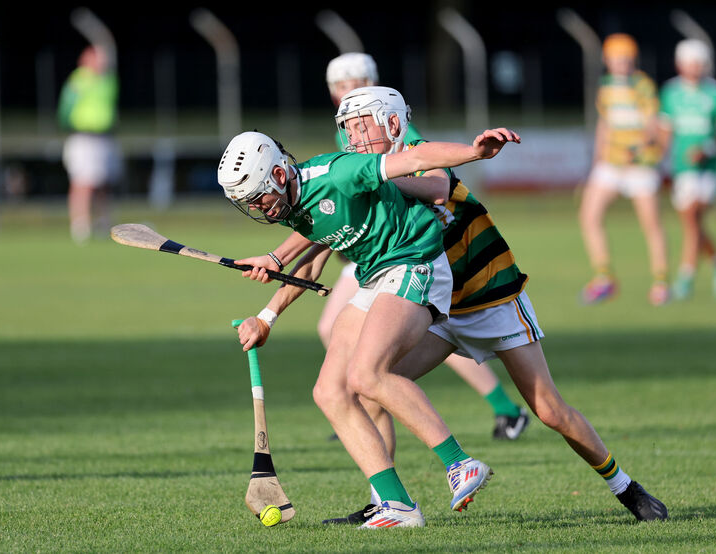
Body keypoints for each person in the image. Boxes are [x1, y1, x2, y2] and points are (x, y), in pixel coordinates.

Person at [237, 87, 668, 525]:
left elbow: (436, 183)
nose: (352, 137)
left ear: (391, 124)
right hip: (429, 306)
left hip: (489, 296)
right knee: (362, 385)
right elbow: (320, 236)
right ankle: (389, 500)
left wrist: (470, 153)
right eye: (346, 128)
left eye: (360, 125)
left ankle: (625, 487)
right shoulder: (357, 176)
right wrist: (272, 291)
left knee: (549, 410)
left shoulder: (412, 158)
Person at [220, 124, 521, 528]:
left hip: (416, 259)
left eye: (258, 198)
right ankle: (398, 506)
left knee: (367, 373)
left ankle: (460, 464)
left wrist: (475, 152)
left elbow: (414, 160)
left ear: (278, 174)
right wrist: (267, 316)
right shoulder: (295, 207)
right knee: (330, 391)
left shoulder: (337, 173)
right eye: (249, 204)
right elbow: (311, 258)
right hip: (375, 276)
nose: (258, 208)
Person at [322, 53, 529, 440]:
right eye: (339, 86)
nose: (347, 92)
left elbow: (425, 168)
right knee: (354, 337)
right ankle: (357, 405)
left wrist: (469, 153)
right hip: (374, 247)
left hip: (406, 249)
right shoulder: (346, 131)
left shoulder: (391, 125)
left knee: (413, 337)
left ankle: (361, 406)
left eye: (356, 83)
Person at [578, 33, 669, 306]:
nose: (621, 63)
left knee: (650, 224)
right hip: (611, 162)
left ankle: (661, 282)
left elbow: (654, 124)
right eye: (616, 59)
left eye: (626, 59)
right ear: (607, 60)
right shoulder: (605, 87)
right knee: (589, 216)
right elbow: (605, 124)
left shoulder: (642, 85)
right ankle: (604, 278)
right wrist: (596, 159)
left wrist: (641, 148)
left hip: (640, 164)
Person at [658, 39, 716, 301]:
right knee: (693, 223)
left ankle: (685, 279)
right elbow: (665, 132)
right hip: (682, 168)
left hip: (708, 169)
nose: (694, 68)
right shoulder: (671, 93)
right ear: (679, 64)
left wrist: (709, 148)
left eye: (698, 63)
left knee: (692, 217)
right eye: (689, 63)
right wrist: (657, 158)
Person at [58, 44, 122, 244]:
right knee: (82, 183)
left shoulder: (109, 80)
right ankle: (80, 226)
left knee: (104, 183)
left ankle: (104, 224)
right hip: (83, 137)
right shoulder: (79, 80)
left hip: (104, 137)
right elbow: (65, 109)